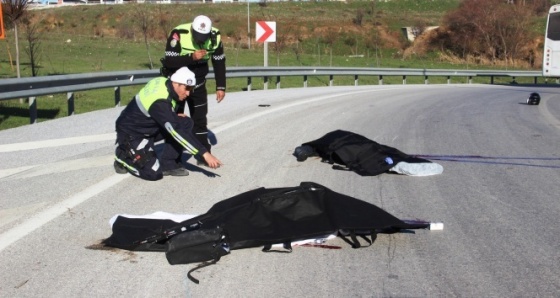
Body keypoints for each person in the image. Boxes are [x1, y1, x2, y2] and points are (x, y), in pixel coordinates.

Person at [114, 67, 223, 181]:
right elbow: (175, 130)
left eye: (191, 89)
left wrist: (170, 115)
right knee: (153, 173)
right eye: (186, 88)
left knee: (185, 122)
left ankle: (168, 164)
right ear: (176, 83)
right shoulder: (159, 102)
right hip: (131, 133)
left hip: (148, 126)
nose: (188, 93)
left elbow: (161, 110)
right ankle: (122, 155)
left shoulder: (164, 82)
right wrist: (204, 153)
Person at [160, 15, 226, 157]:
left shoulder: (215, 37)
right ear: (191, 29)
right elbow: (169, 61)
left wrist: (221, 86)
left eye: (203, 37)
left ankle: (204, 154)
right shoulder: (178, 34)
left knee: (200, 120)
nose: (200, 40)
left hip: (199, 83)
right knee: (175, 120)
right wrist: (192, 57)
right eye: (197, 36)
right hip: (178, 86)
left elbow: (219, 62)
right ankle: (173, 158)